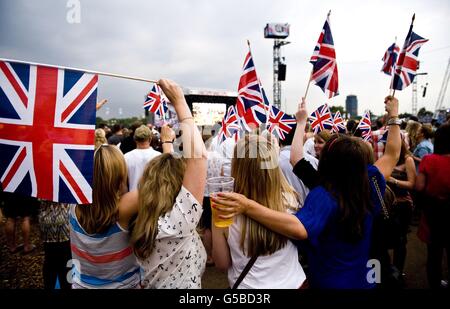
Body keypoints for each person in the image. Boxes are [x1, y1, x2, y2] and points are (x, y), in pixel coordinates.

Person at [212, 96, 401, 289]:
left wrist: (247, 205)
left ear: (326, 162)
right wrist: (394, 116)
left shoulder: (324, 196)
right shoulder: (369, 180)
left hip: (328, 283)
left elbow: (298, 229)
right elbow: (392, 154)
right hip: (363, 280)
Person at [130, 79, 207, 289]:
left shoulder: (140, 224)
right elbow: (198, 156)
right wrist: (180, 102)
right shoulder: (176, 225)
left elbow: (165, 173)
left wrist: (167, 144)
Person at [212, 134, 306, 289]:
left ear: (236, 167)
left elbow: (222, 264)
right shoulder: (291, 199)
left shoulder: (224, 210)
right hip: (293, 284)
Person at [69, 145, 140, 289]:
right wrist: (167, 143)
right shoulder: (124, 210)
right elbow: (157, 183)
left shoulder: (73, 204)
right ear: (121, 177)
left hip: (81, 285)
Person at [416, 124, 450, 289]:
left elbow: (419, 187)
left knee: (434, 254)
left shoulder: (428, 160)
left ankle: (435, 285)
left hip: (433, 214)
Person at [386, 139, 416, 282]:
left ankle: (398, 273)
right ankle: (384, 273)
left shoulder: (407, 159)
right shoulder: (385, 158)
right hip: (387, 204)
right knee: (383, 239)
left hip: (403, 205)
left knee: (400, 240)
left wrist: (393, 180)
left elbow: (412, 184)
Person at [38, 200, 73, 289]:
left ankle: (49, 285)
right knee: (66, 261)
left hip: (46, 221)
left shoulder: (42, 186)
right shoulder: (67, 186)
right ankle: (66, 285)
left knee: (49, 259)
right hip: (63, 222)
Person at [124, 125, 161, 191]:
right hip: (153, 198)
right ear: (150, 139)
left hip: (133, 197)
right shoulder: (159, 156)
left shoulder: (126, 157)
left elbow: (123, 184)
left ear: (135, 139)